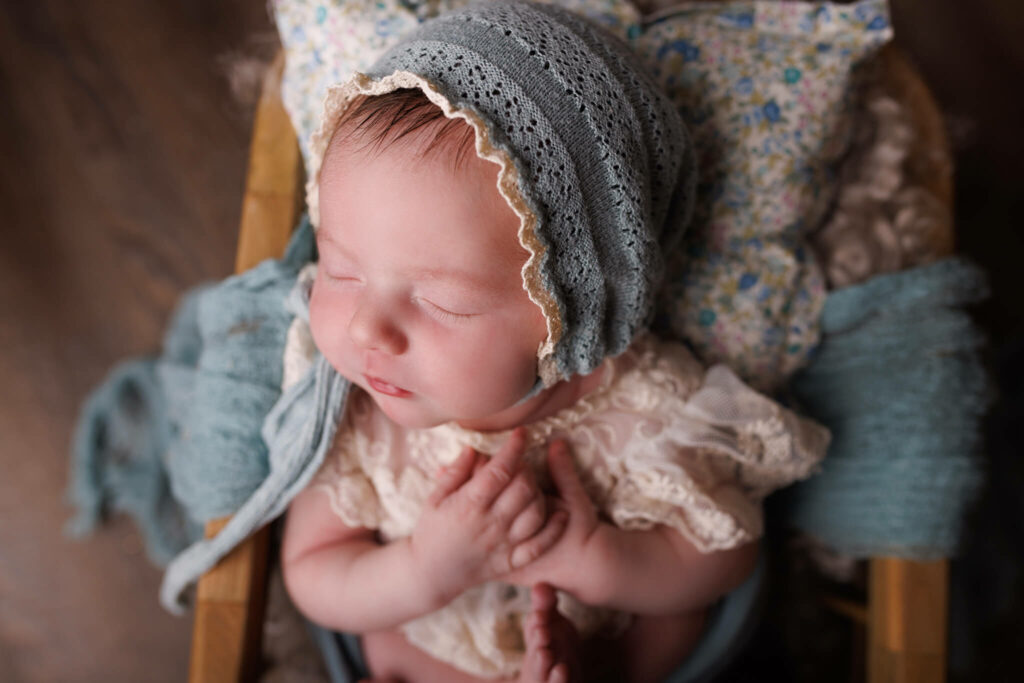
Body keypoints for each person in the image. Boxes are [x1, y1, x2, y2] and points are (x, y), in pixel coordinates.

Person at [278, 2, 829, 681]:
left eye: (441, 302)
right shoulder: (361, 409)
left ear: (568, 310)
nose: (366, 329)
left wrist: (596, 558)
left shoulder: (642, 411)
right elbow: (311, 569)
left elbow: (725, 554)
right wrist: (422, 568)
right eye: (340, 270)